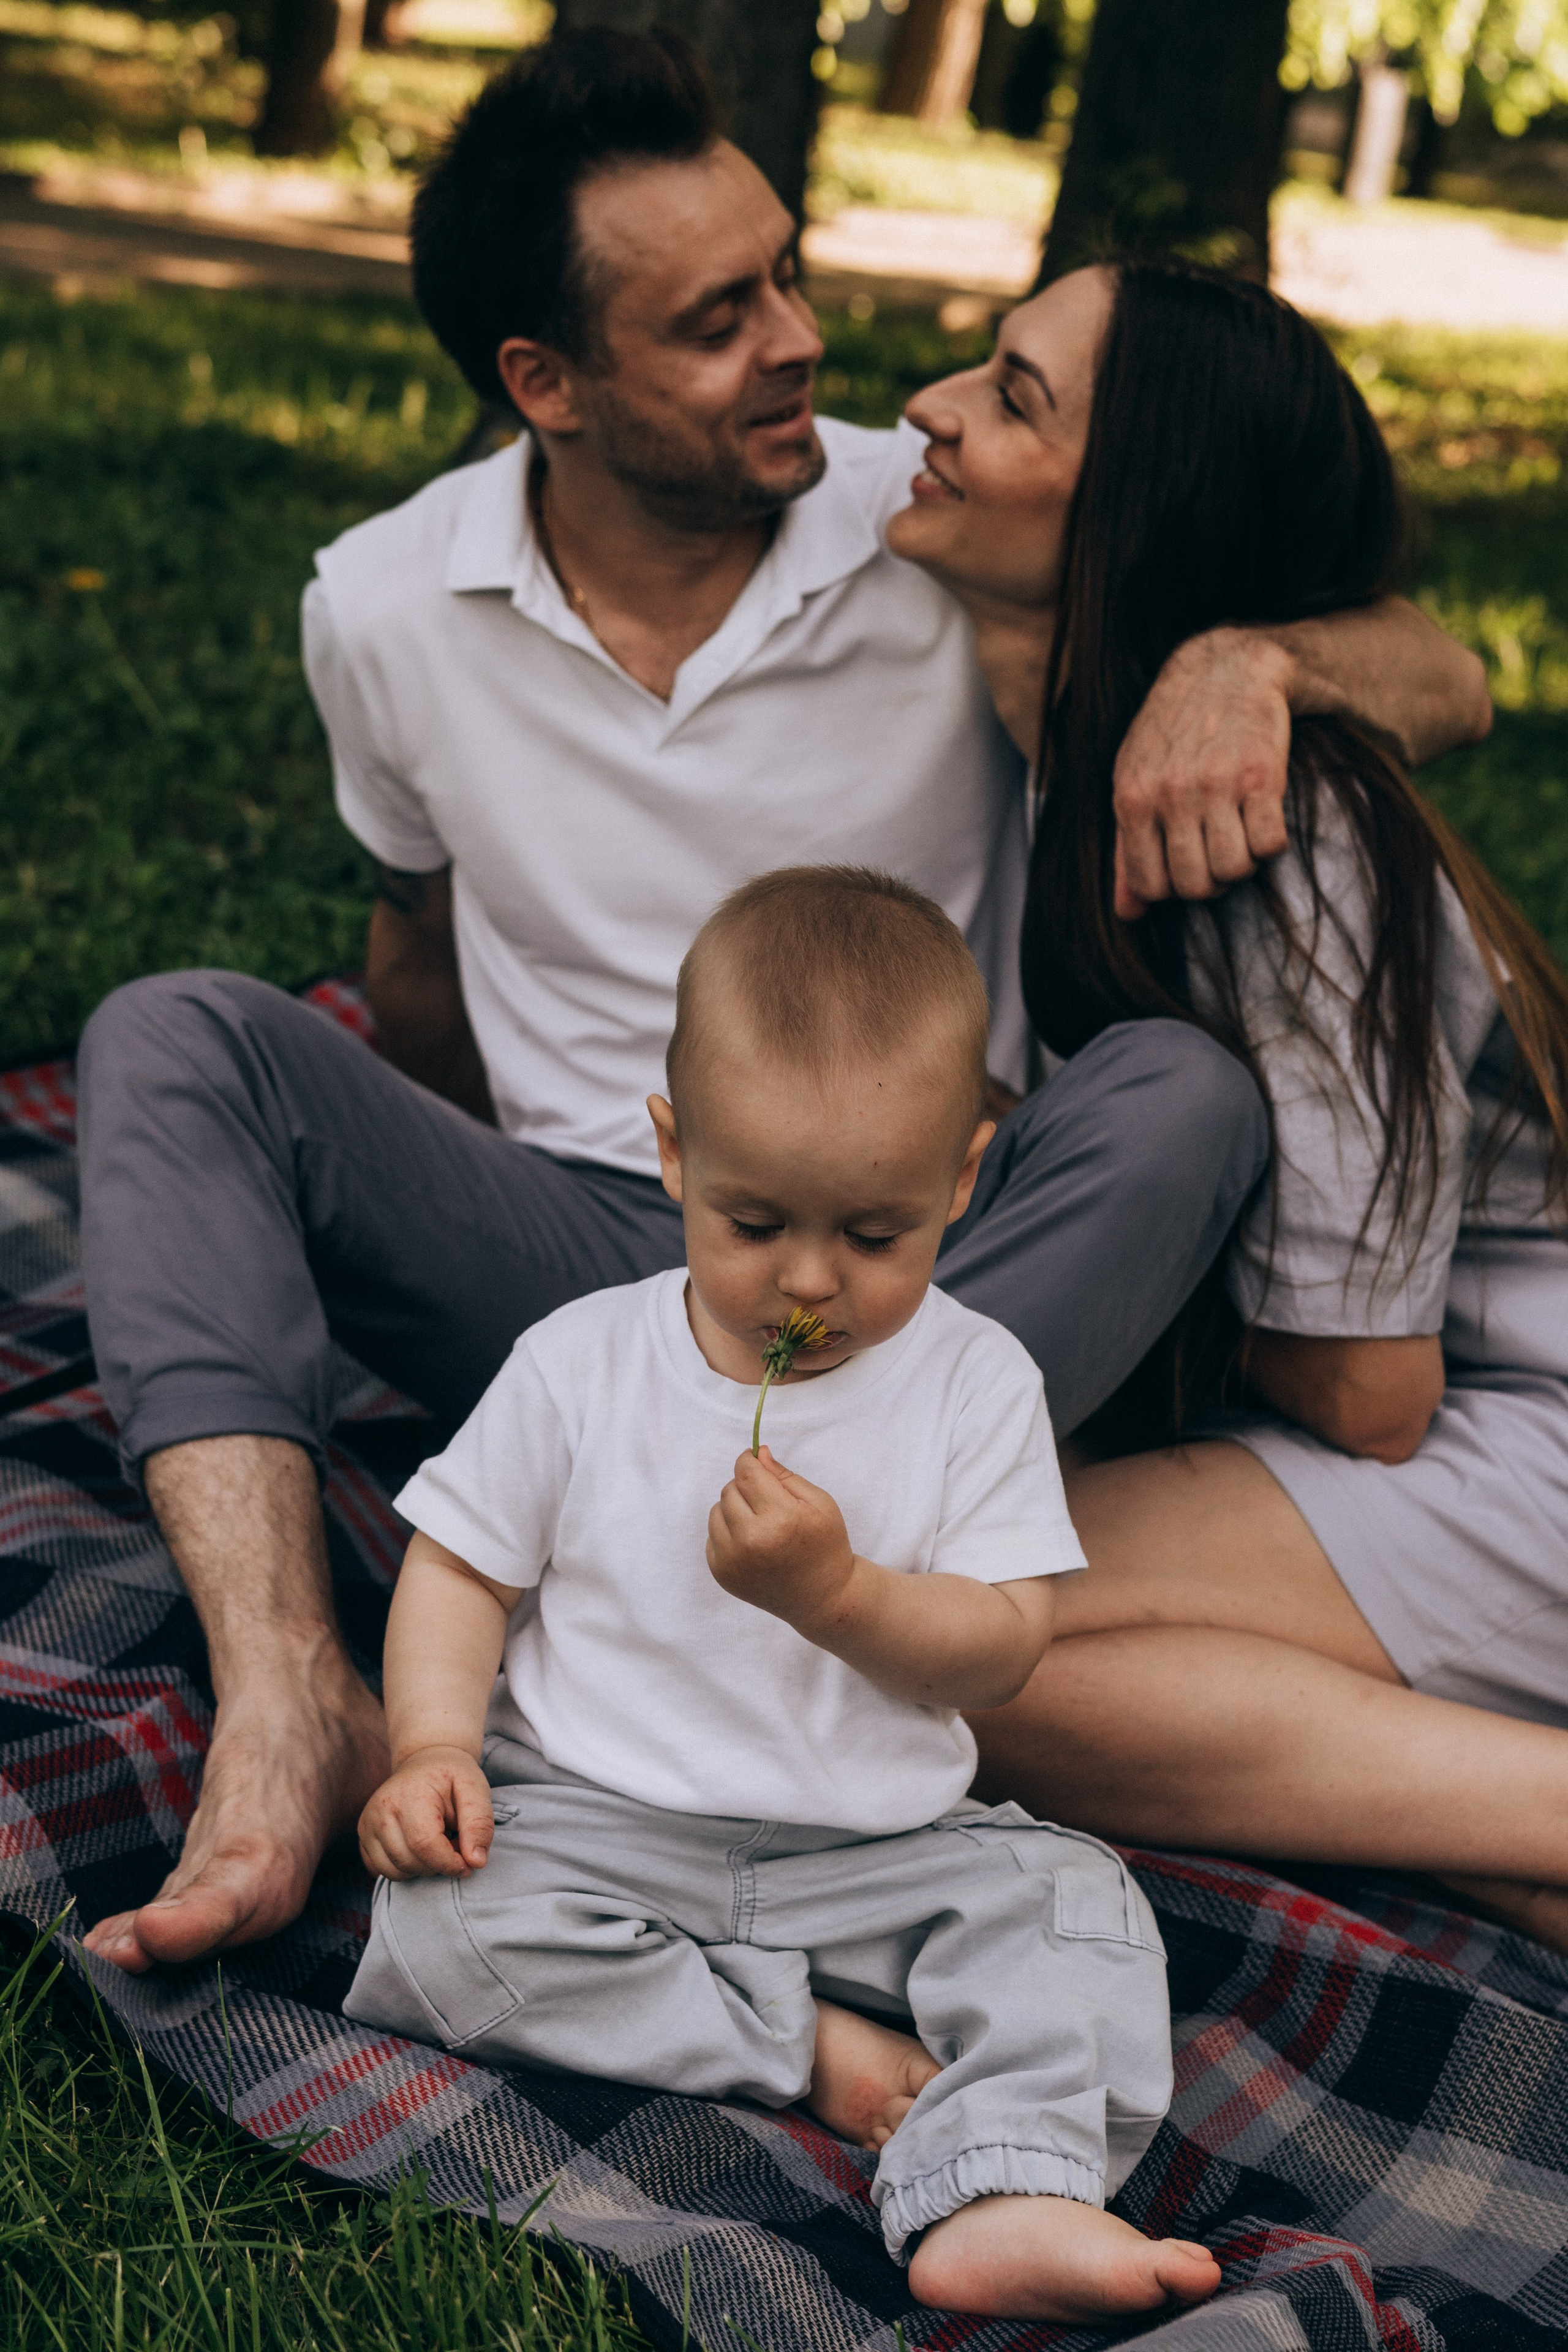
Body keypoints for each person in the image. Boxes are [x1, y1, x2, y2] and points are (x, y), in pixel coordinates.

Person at [77, 29, 1487, 1978]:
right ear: (544, 384)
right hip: (596, 1242)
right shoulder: (381, 609)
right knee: (171, 1037)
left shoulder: (928, 515)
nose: (804, 344)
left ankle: (809, 1578)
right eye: (718, 320)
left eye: (790, 275)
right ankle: (291, 1692)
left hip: (929, 1256)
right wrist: (382, 1196)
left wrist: (1255, 661)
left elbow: (1435, 659)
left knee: (1181, 1091)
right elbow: (413, 962)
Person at [344, 866, 1221, 2325]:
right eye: (753, 1223)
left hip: (875, 1846)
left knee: (1081, 1914)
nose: (806, 1282)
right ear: (672, 1153)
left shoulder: (973, 1383)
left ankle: (1000, 2186)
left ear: (960, 1180)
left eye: (873, 1236)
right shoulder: (580, 1362)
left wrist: (837, 1596)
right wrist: (432, 1745)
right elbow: (460, 1563)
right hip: (596, 1817)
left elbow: (1002, 1648)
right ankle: (811, 2050)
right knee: (441, 1931)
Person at [881, 257, 1568, 1954]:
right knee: (914, 1642)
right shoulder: (1096, 742)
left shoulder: (1272, 826)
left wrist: (1093, 1234)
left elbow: (1371, 1387)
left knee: (916, 1642)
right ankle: (1484, 1832)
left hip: (1514, 1431)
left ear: (1136, 509)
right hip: (1442, 1419)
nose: (926, 408)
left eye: (1013, 397)